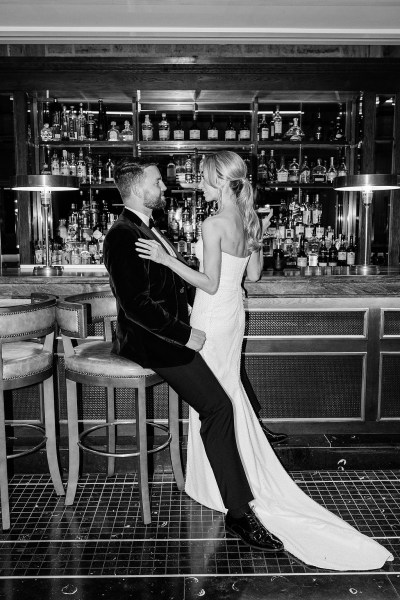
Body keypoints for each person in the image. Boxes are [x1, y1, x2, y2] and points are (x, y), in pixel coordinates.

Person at [135, 151, 393, 571]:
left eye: (202, 178)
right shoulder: (249, 220)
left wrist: (167, 260)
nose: (197, 184)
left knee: (213, 398)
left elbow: (209, 281)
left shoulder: (213, 222)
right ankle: (226, 479)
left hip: (213, 315)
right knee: (225, 391)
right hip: (235, 315)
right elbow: (251, 277)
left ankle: (219, 485)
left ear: (219, 180)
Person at [103, 157, 283, 553]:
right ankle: (239, 514)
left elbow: (174, 280)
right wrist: (186, 334)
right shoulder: (122, 234)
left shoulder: (152, 227)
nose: (165, 188)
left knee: (224, 396)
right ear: (136, 189)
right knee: (218, 406)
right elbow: (135, 306)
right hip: (155, 342)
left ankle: (235, 483)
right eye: (157, 183)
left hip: (182, 331)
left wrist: (201, 307)